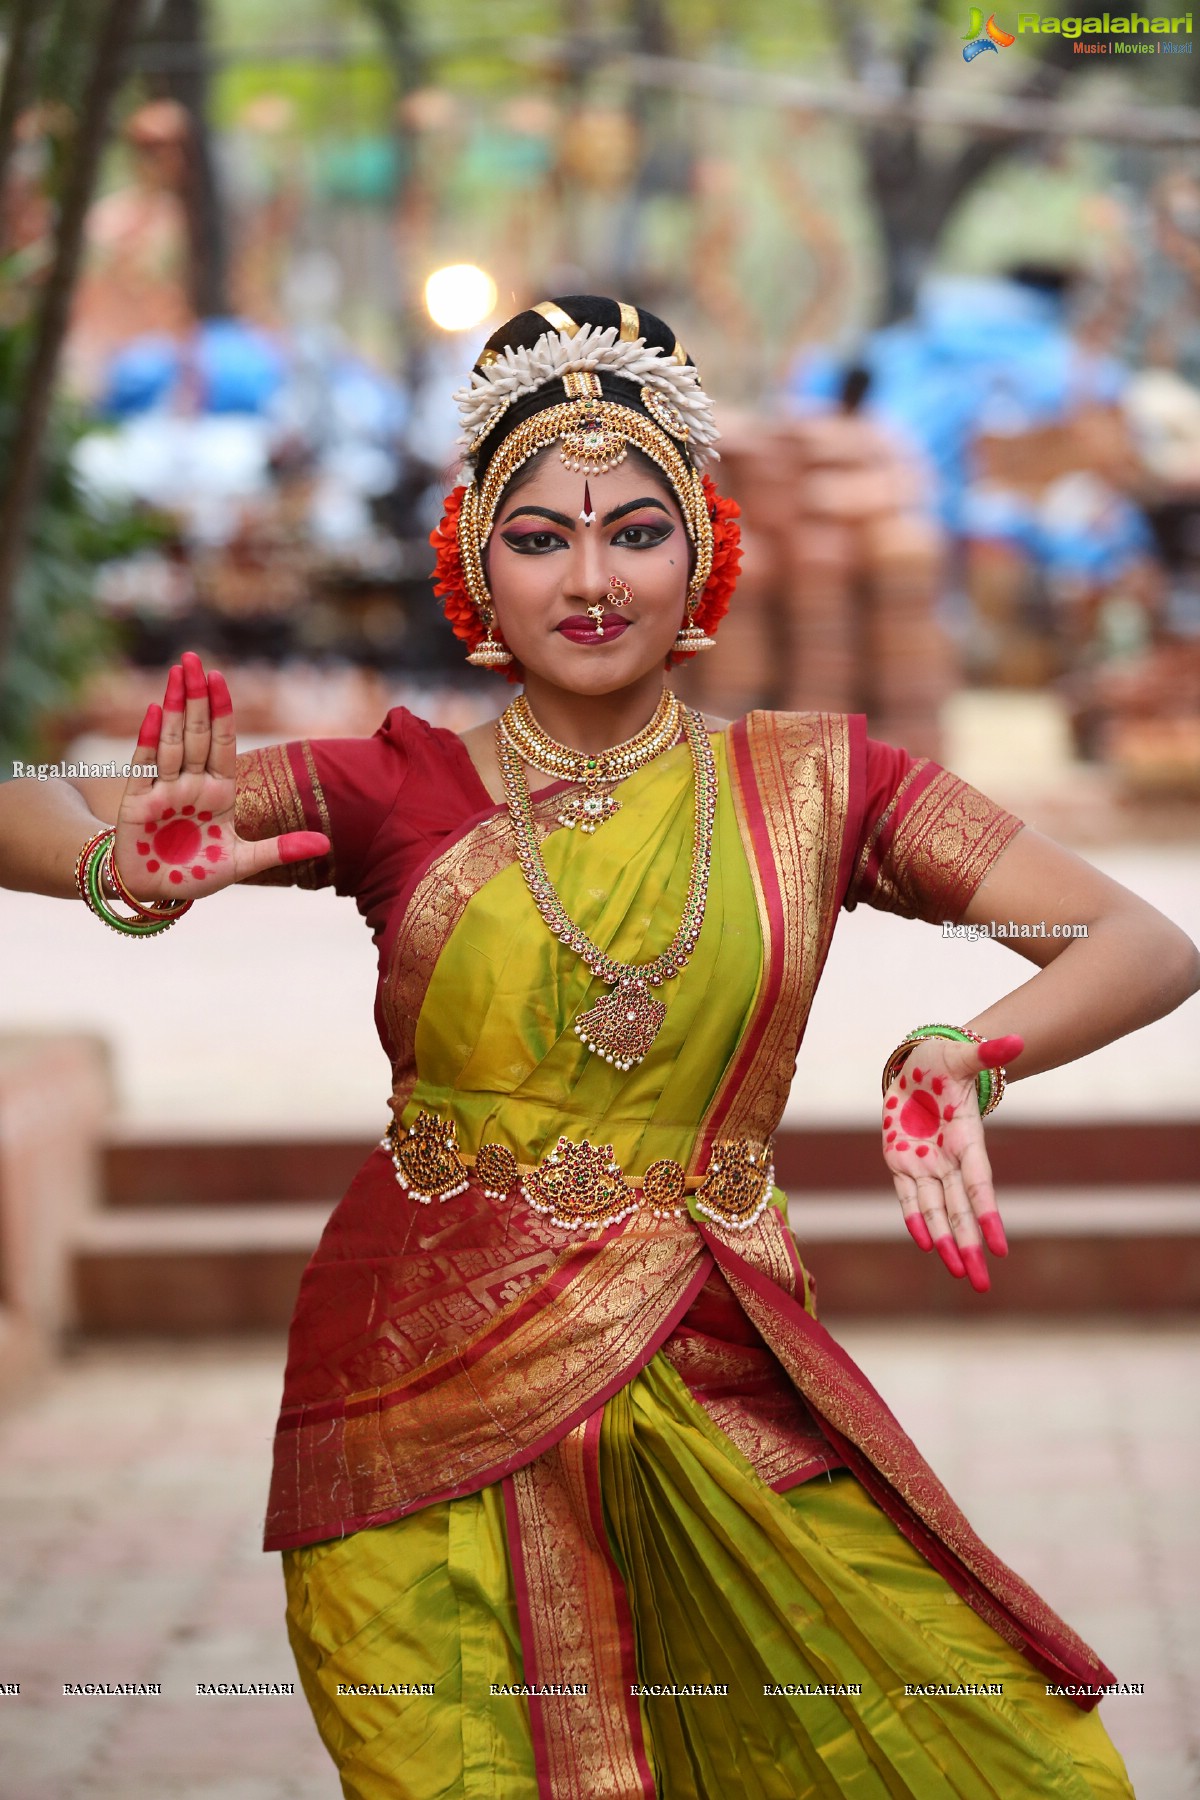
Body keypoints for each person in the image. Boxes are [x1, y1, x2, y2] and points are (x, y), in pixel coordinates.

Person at [3, 296, 1196, 1800]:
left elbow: (1143, 943)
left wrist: (975, 1045)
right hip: (410, 1395)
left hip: (719, 1369)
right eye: (538, 536)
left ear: (702, 550)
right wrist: (118, 870)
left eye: (634, 530)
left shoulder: (818, 785)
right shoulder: (392, 785)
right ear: (471, 569)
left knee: (1002, 1763)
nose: (589, 578)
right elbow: (29, 794)